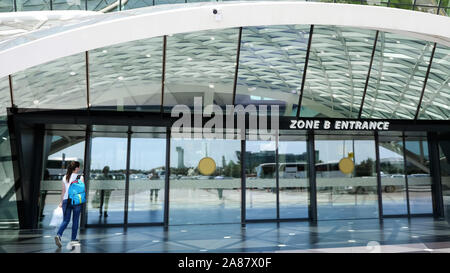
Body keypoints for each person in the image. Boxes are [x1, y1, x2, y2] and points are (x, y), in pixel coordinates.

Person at [54, 161, 84, 248]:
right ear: (77, 168)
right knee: (75, 220)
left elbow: (63, 191)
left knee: (66, 220)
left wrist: (61, 202)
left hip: (66, 201)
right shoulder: (80, 177)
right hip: (76, 201)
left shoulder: (65, 177)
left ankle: (59, 235)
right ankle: (73, 238)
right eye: (78, 167)